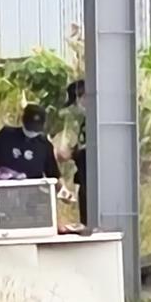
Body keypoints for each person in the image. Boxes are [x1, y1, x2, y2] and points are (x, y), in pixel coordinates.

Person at [0, 104, 60, 181]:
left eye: (35, 128)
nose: (32, 131)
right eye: (30, 127)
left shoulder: (45, 146)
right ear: (23, 120)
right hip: (3, 187)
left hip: (31, 189)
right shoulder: (6, 136)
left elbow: (54, 176)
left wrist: (63, 189)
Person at [64, 80, 88, 223]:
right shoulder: (86, 120)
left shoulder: (98, 121)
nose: (75, 107)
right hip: (84, 177)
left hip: (91, 179)